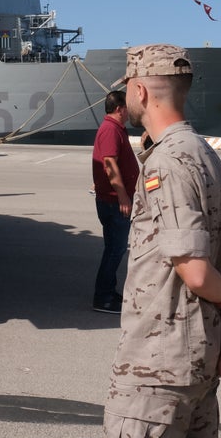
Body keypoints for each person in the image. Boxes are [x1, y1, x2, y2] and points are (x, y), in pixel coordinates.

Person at [104, 44, 221, 437]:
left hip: (156, 369)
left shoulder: (167, 162)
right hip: (196, 362)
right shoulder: (208, 156)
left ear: (141, 92)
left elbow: (200, 274)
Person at [92, 90, 140, 314]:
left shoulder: (114, 129)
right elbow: (110, 164)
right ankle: (102, 298)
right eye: (128, 107)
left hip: (111, 199)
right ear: (120, 108)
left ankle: (109, 292)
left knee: (114, 248)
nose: (130, 111)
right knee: (115, 249)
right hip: (113, 202)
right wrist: (123, 196)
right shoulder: (111, 130)